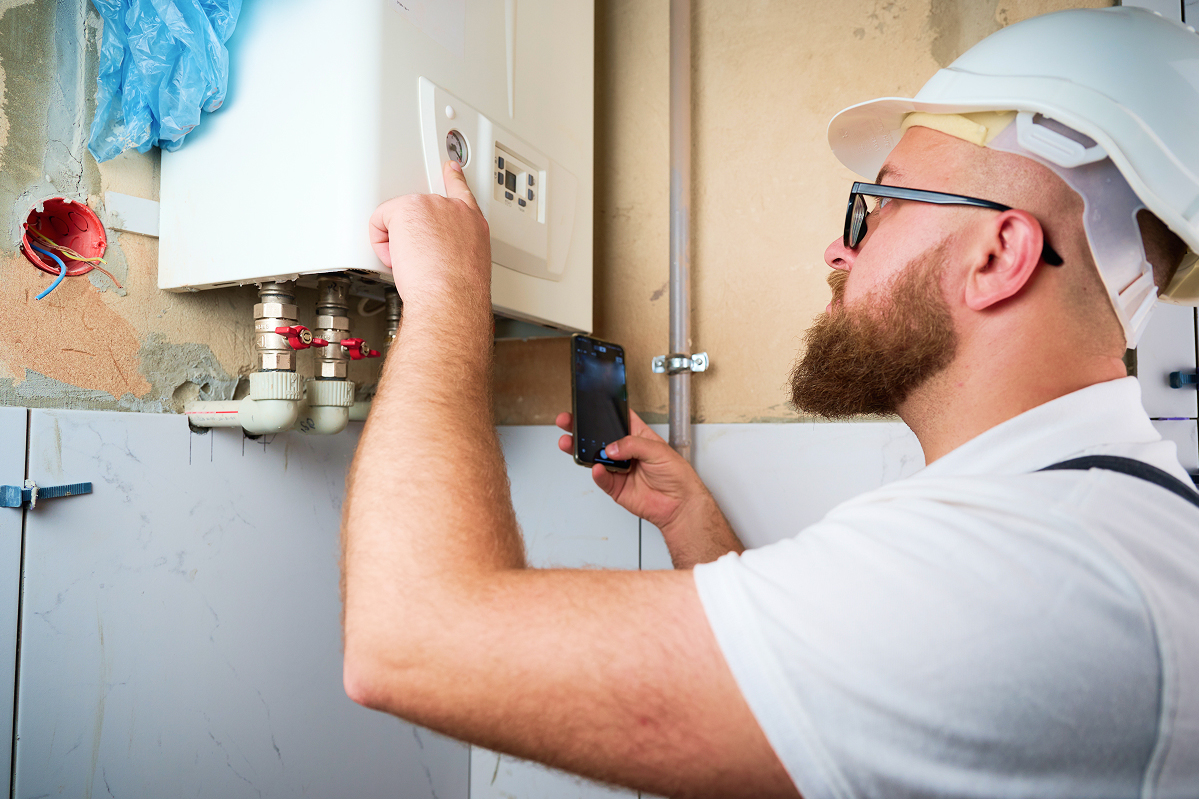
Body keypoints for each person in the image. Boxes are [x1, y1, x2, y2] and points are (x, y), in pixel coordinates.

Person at [341, 7, 1199, 798]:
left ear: (997, 254)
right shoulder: (1081, 514)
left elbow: (409, 640)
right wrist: (691, 523)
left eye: (880, 205)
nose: (838, 245)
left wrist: (451, 295)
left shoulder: (1025, 569)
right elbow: (808, 687)